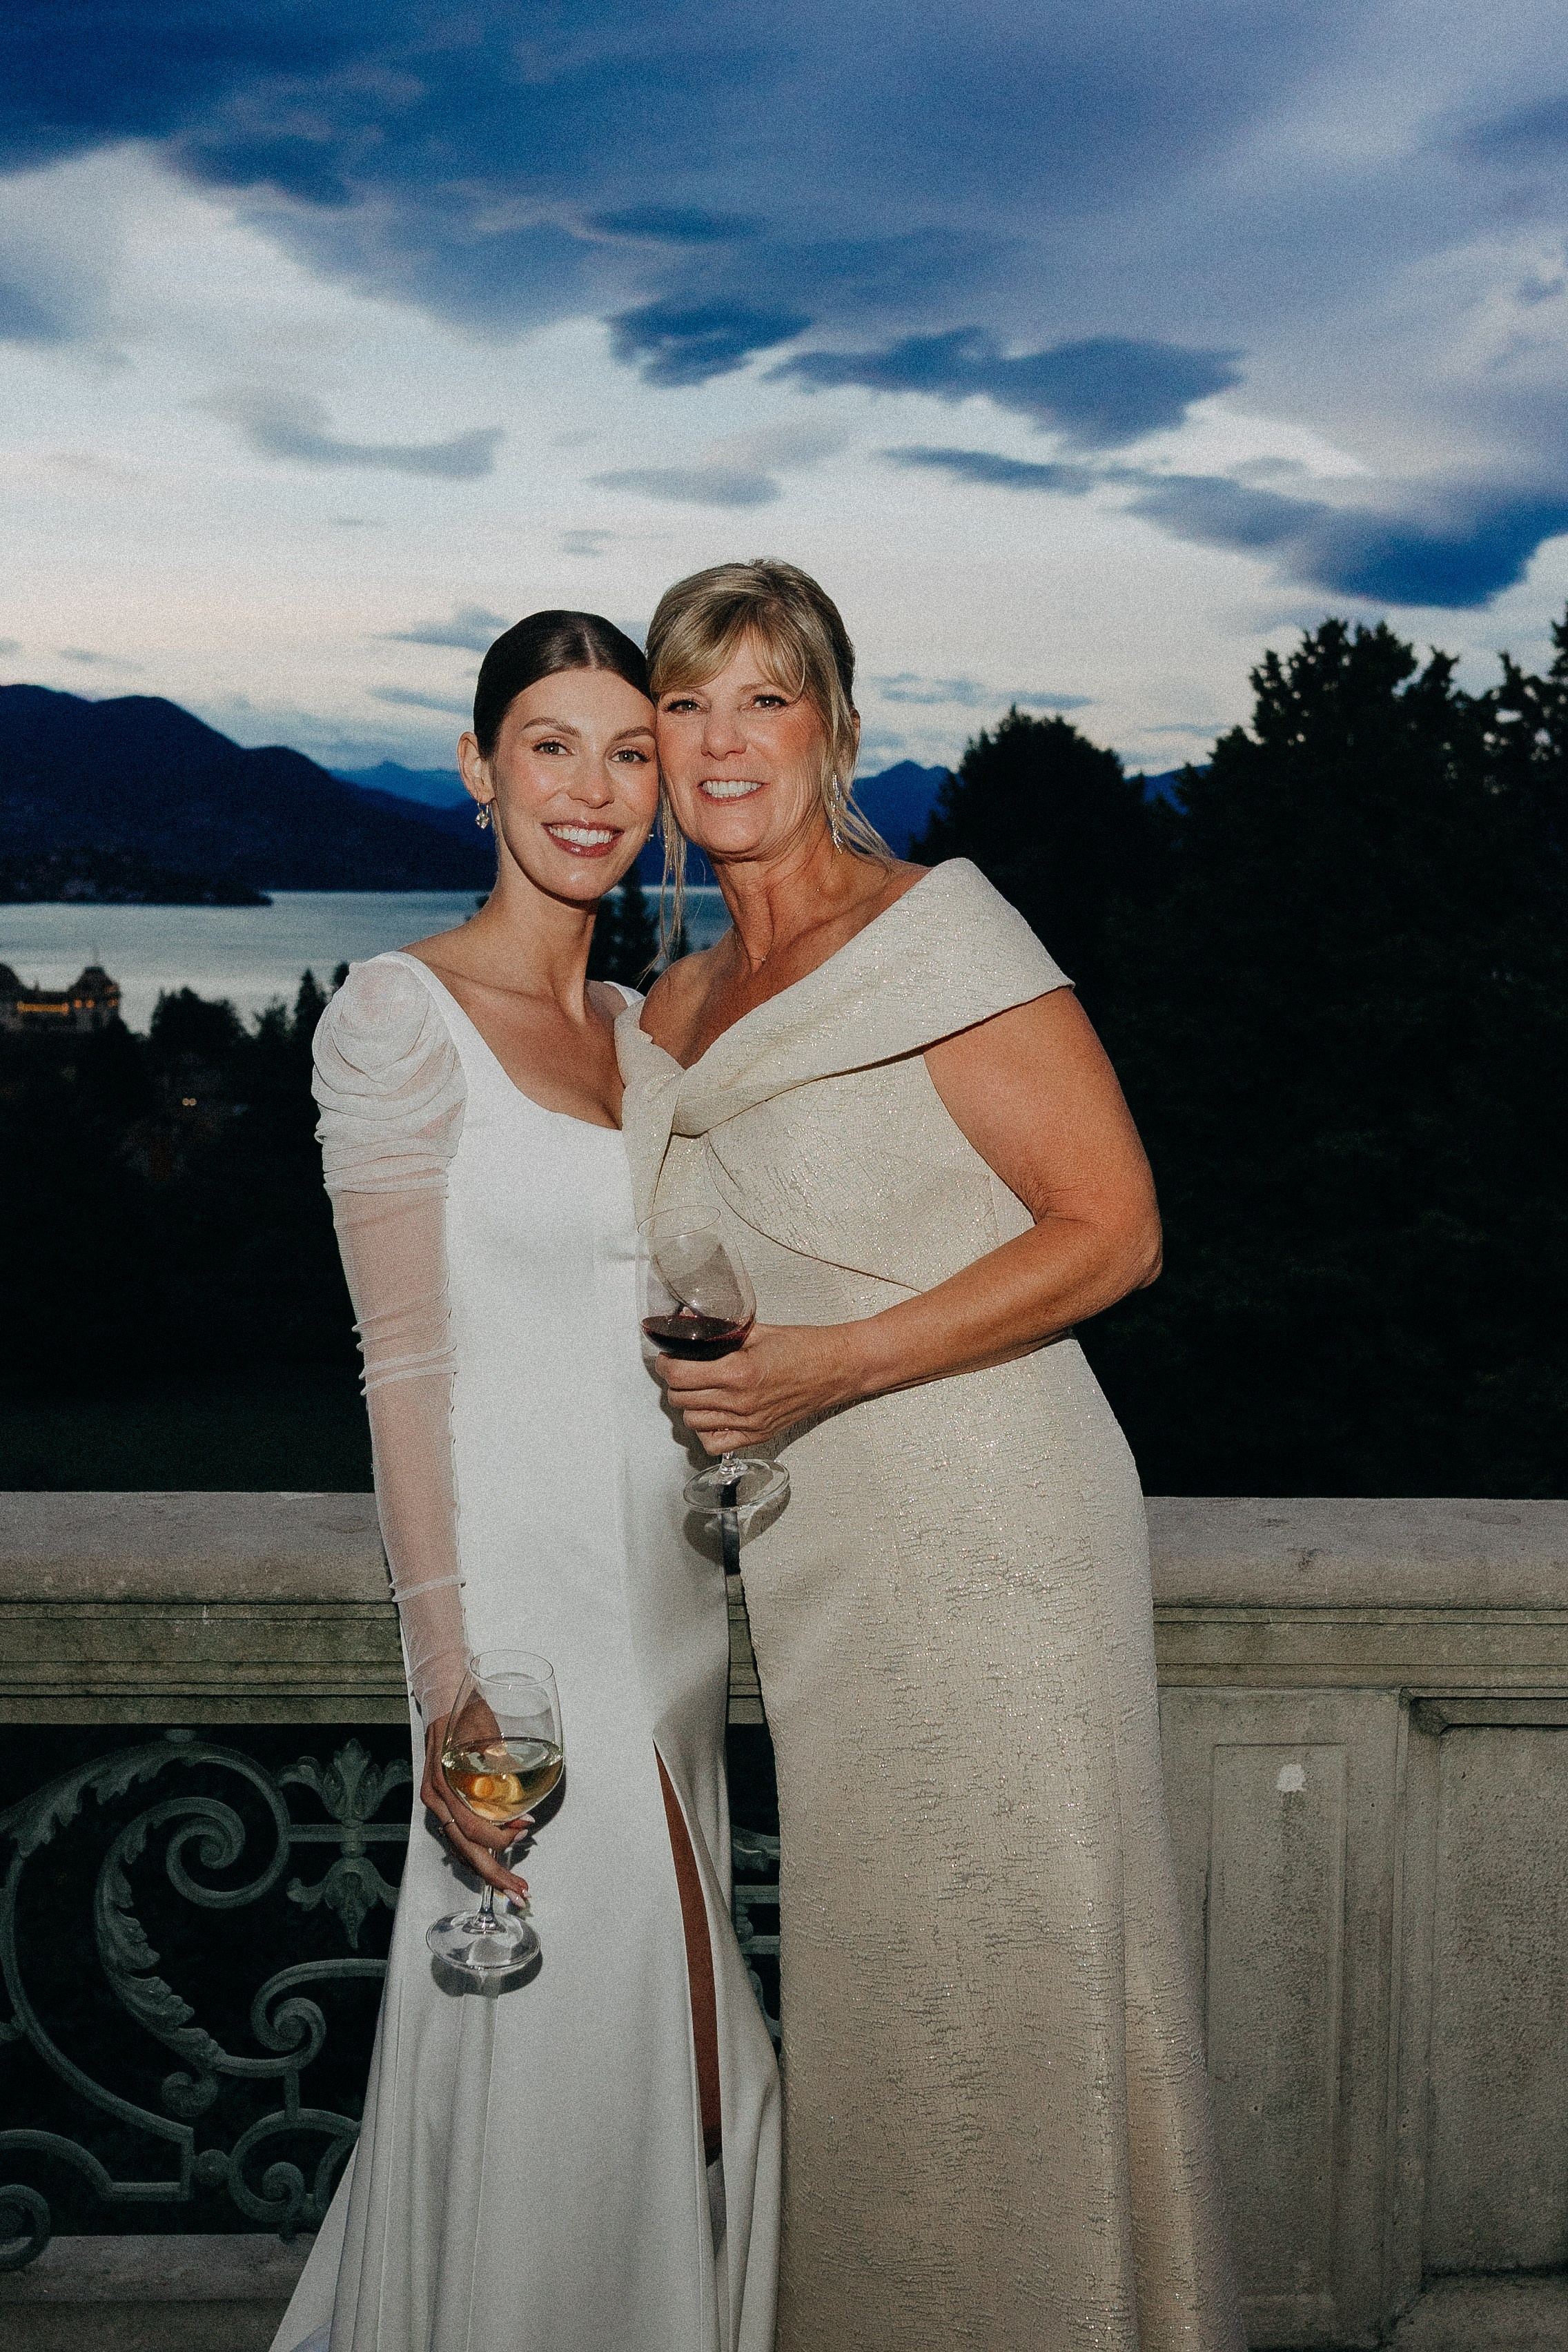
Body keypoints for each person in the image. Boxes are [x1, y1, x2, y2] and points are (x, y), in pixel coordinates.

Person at [616, 560, 1244, 2351]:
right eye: (687, 704)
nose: (724, 741)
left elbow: (1112, 1233)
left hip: (991, 1517)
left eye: (764, 699)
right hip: (819, 1563)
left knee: (1018, 1973)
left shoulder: (941, 939)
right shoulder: (667, 1013)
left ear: (834, 732)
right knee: (893, 1995)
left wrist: (829, 1365)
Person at [272, 611, 780, 2352]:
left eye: (630, 751)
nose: (594, 787)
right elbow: (399, 1369)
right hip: (536, 1641)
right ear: (478, 766)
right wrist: (451, 1686)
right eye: (550, 744)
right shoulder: (399, 1017)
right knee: (580, 2076)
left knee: (690, 2078)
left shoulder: (647, 1038)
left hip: (676, 1617)